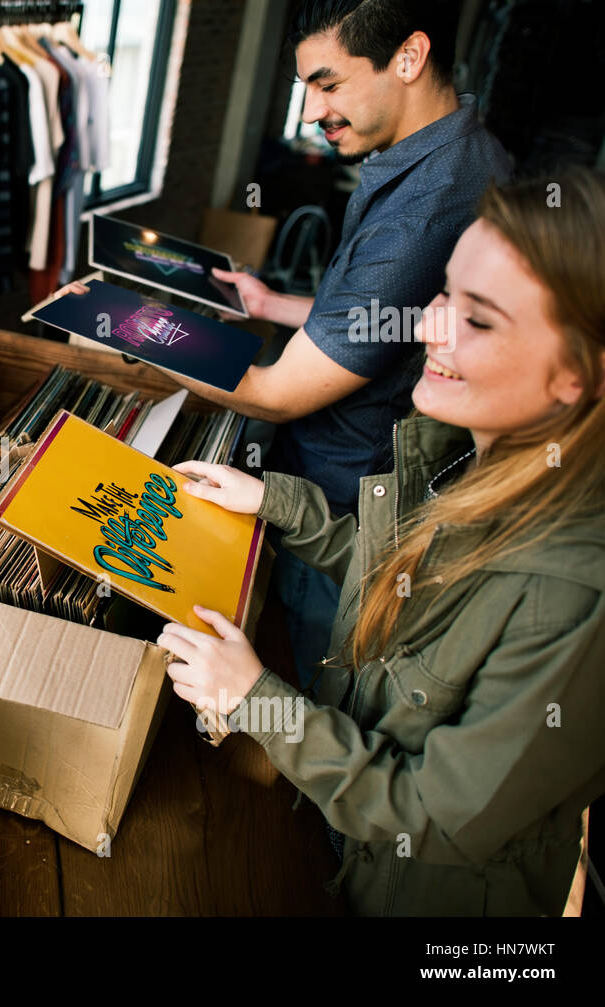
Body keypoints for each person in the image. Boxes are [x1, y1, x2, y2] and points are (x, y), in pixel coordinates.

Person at [158, 168, 605, 916]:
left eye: (482, 319)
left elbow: (434, 812)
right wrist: (279, 504)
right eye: (446, 293)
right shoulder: (470, 448)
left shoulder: (572, 596)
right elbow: (396, 579)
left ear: (579, 374)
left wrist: (255, 700)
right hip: (347, 843)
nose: (429, 327)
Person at [61, 0, 509, 688]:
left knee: (325, 676)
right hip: (358, 466)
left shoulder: (426, 208)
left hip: (350, 485)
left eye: (329, 85)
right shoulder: (461, 149)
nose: (309, 112)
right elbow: (382, 314)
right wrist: (278, 304)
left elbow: (274, 393)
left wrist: (128, 325)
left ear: (410, 59)